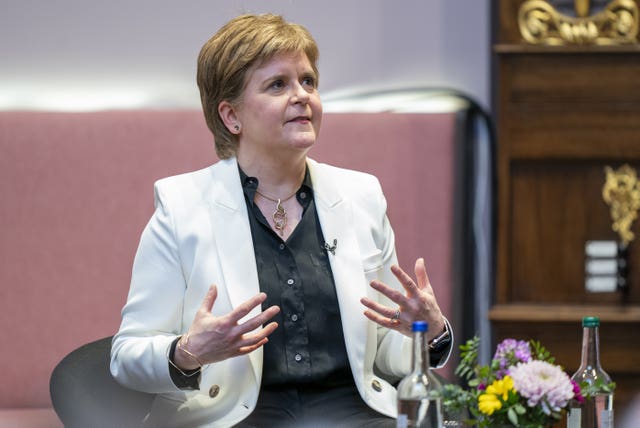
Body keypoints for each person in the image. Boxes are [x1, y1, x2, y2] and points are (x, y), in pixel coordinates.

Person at [110, 13, 453, 428]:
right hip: (237, 419)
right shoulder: (182, 207)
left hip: (355, 416)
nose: (302, 96)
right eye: (278, 85)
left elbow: (383, 355)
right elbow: (125, 356)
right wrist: (189, 350)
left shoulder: (361, 196)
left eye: (308, 81)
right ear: (231, 117)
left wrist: (427, 333)